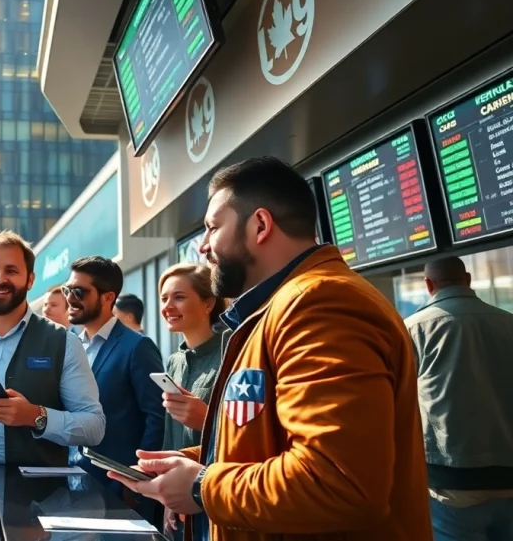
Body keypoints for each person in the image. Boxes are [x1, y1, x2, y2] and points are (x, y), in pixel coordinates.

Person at [108, 156, 432, 540]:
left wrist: (201, 486)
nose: (204, 247)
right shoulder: (280, 308)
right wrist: (196, 462)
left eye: (212, 228)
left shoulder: (320, 304)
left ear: (260, 225)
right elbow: (273, 444)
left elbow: (337, 482)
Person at [0, 230, 105, 467]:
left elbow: (94, 427)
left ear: (30, 280)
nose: (0, 279)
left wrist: (35, 416)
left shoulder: (62, 342)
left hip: (37, 496)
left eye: (11, 271)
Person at [404, 256, 513, 540]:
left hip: (451, 482)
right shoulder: (508, 323)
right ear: (467, 279)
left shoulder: (414, 329)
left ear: (429, 285)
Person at [64, 257, 164, 521]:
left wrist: (137, 480)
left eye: (79, 292)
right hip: (68, 488)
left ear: (108, 297)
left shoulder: (137, 347)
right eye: (67, 290)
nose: (70, 298)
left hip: (119, 492)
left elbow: (156, 417)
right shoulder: (68, 345)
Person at [156, 263, 226, 540]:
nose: (168, 306)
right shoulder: (174, 360)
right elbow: (169, 435)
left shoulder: (231, 350)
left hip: (216, 492)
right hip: (179, 496)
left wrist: (206, 418)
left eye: (179, 297)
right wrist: (165, 494)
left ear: (209, 303)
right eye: (164, 299)